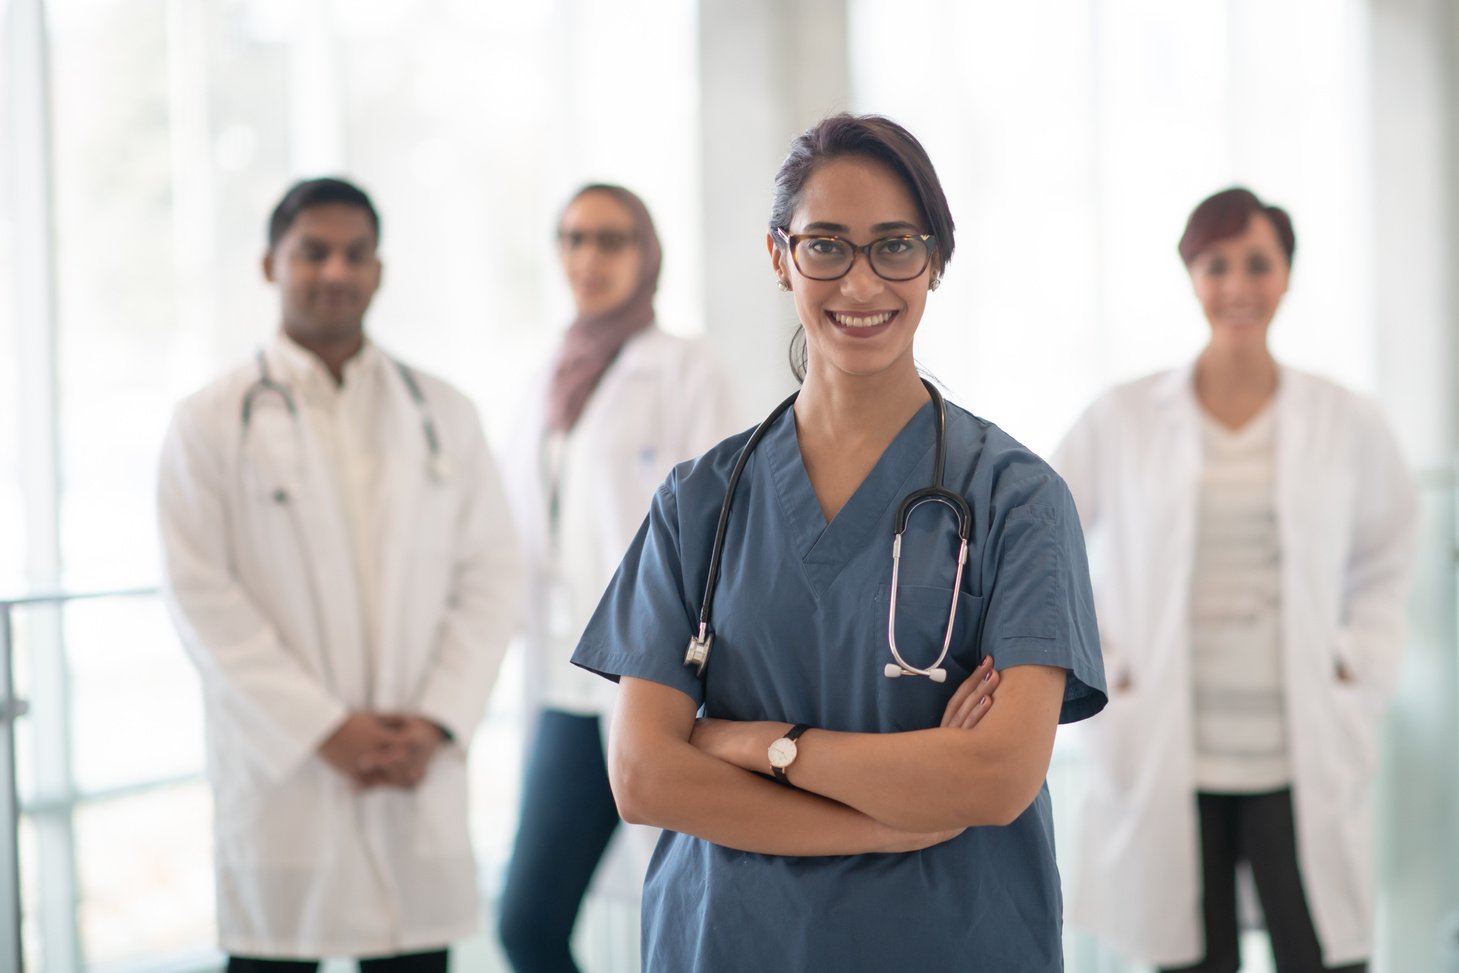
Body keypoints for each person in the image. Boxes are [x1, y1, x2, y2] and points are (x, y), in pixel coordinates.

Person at [569, 114, 1107, 972]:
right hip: (731, 942)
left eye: (895, 245)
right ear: (781, 256)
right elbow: (644, 778)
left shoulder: (1016, 498)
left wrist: (752, 742)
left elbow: (998, 778)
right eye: (827, 246)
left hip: (948, 943)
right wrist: (882, 820)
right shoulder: (699, 502)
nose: (861, 283)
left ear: (935, 260)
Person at [157, 177, 522, 971]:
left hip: (410, 773)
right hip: (287, 781)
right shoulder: (209, 422)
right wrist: (325, 729)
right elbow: (201, 598)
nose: (336, 271)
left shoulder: (443, 412)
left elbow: (491, 574)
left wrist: (431, 719)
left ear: (379, 271)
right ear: (269, 264)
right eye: (312, 252)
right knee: (271, 955)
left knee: (413, 953)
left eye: (356, 254)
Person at [1053, 187, 1418, 972]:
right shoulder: (1122, 415)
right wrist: (1103, 663)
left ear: (1286, 275)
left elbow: (1389, 552)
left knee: (1320, 951)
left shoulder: (1344, 417)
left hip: (1299, 741)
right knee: (1192, 957)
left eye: (1258, 263)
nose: (1237, 286)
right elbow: (1043, 540)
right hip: (1168, 740)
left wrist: (1360, 658)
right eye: (1216, 264)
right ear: (1191, 277)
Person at [496, 184, 737, 973]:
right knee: (527, 921)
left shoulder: (683, 368)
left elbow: (723, 527)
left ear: (647, 254)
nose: (588, 258)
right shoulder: (546, 375)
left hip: (655, 683)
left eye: (610, 239)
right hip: (568, 686)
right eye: (572, 239)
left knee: (677, 923)